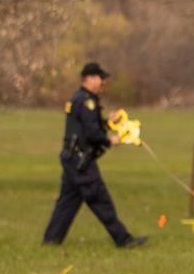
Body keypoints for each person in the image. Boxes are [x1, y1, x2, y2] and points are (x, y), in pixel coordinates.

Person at [42, 62, 147, 249]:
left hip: (72, 160)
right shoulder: (86, 102)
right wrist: (110, 141)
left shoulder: (80, 99)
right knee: (100, 199)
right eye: (100, 78)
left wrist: (108, 123)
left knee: (67, 202)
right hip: (81, 162)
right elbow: (92, 133)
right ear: (89, 79)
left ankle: (51, 240)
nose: (103, 82)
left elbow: (87, 127)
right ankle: (123, 240)